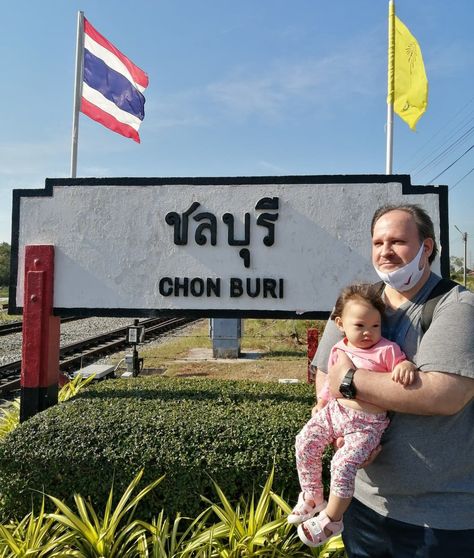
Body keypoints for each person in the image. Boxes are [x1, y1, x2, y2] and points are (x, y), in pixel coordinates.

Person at [307, 204, 474, 557]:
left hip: (438, 520)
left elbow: (443, 394)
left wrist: (350, 380)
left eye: (397, 241)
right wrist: (341, 433)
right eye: (378, 242)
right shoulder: (356, 304)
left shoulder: (456, 307)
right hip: (364, 506)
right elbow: (325, 374)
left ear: (426, 247)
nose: (385, 251)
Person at [289, 283, 417, 548]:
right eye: (360, 326)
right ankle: (312, 496)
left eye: (375, 326)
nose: (369, 333)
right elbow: (330, 381)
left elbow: (400, 364)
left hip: (367, 425)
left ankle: (332, 520)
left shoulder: (387, 350)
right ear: (340, 324)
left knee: (342, 465)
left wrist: (405, 365)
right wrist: (322, 402)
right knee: (305, 441)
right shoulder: (339, 349)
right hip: (335, 410)